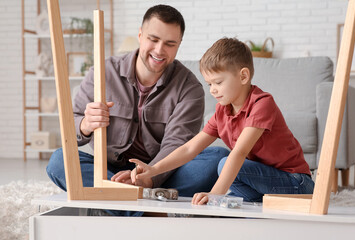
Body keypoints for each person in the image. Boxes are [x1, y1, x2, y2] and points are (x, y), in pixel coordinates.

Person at [46, 4, 229, 207]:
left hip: (159, 174)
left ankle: (115, 201)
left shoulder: (190, 88)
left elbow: (177, 144)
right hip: (108, 171)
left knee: (217, 159)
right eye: (153, 39)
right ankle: (147, 207)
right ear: (140, 35)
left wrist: (148, 177)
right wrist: (85, 125)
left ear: (179, 44)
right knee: (58, 161)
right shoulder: (104, 71)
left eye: (170, 43)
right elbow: (69, 128)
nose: (160, 50)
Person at [130, 37, 315, 204]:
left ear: (243, 76)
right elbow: (190, 148)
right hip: (261, 182)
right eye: (209, 84)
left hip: (296, 183)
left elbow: (239, 152)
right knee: (227, 191)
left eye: (218, 83)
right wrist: (154, 169)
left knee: (225, 165)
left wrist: (215, 194)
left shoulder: (262, 103)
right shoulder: (222, 111)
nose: (212, 90)